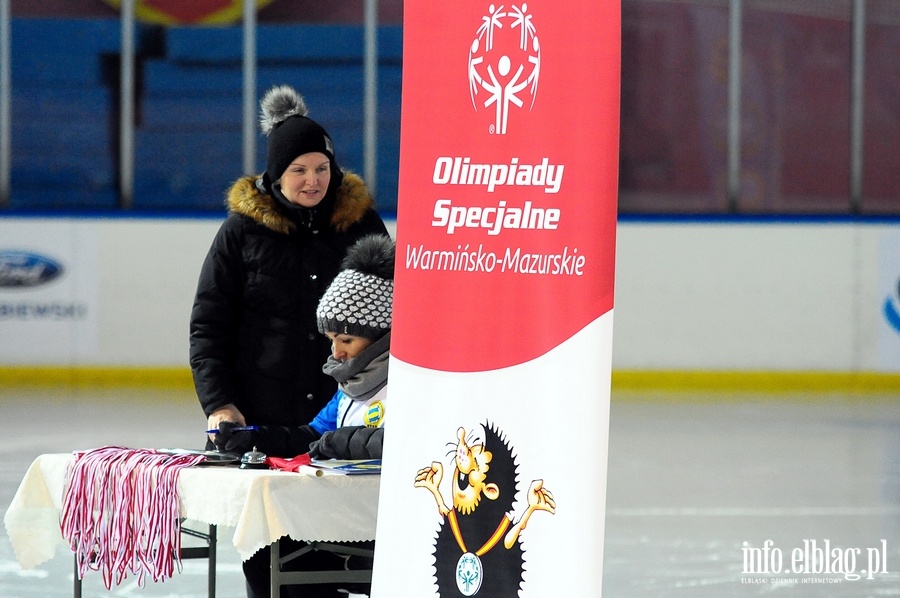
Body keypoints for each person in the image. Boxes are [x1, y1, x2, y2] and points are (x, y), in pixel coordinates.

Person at [190, 84, 389, 452]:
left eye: (322, 168)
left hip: (340, 427)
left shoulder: (361, 226)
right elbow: (208, 326)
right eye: (299, 170)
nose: (312, 180)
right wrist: (219, 404)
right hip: (256, 422)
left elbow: (393, 317)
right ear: (277, 175)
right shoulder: (241, 232)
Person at [214, 233, 394, 598]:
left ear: (379, 336)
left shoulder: (411, 382)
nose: (337, 352)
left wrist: (347, 441)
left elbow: (415, 441)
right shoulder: (350, 387)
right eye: (331, 338)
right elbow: (311, 434)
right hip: (340, 517)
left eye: (346, 339)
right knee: (262, 554)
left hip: (382, 530)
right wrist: (254, 437)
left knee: (281, 560)